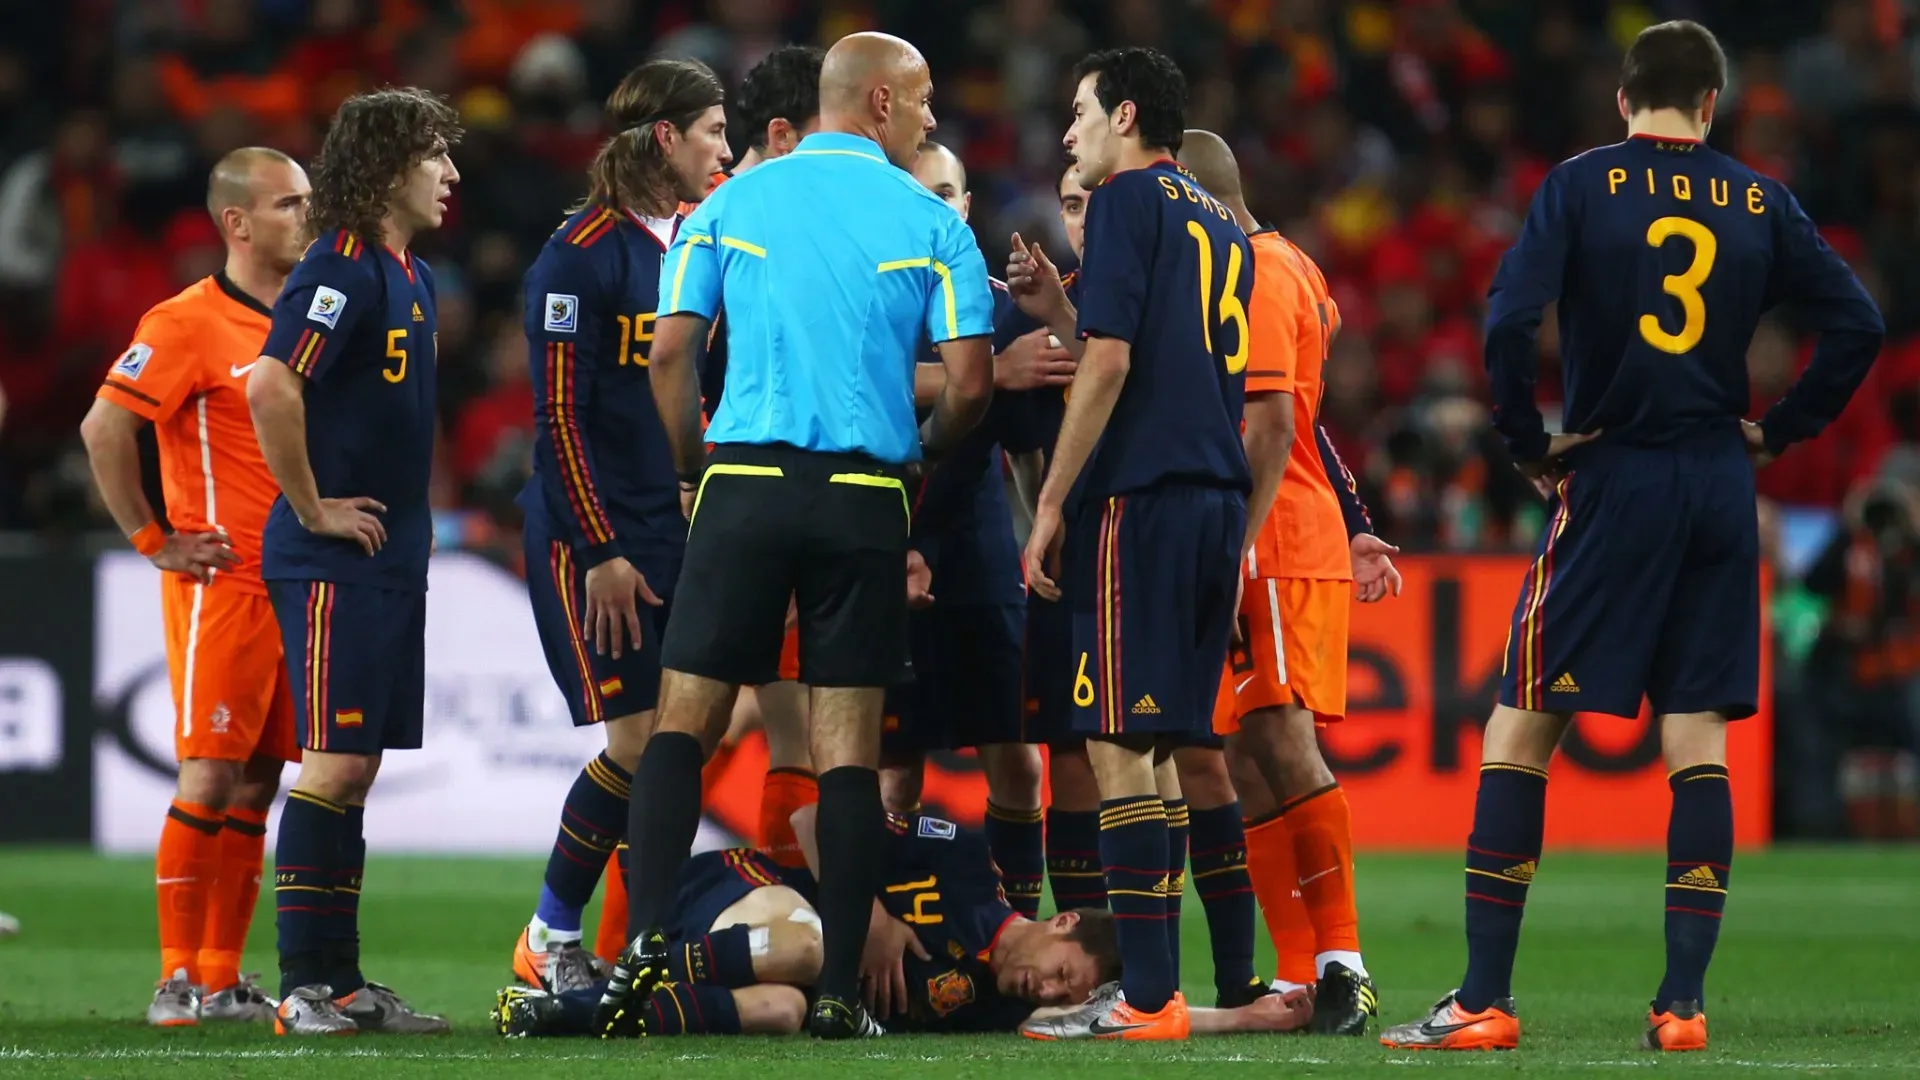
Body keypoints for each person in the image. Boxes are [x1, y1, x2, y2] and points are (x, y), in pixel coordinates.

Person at [1381, 21, 1883, 1053]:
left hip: (1613, 473)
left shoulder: (1580, 185)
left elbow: (1509, 322)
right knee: (1696, 742)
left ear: (1623, 99)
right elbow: (1860, 324)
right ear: (1712, 104)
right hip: (1715, 482)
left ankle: (1482, 998)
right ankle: (1684, 1006)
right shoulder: (1756, 198)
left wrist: (1527, 440)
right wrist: (1779, 430)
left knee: (1521, 725)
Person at [612, 31, 994, 1041]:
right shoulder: (930, 221)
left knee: (683, 720)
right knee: (846, 753)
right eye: (919, 104)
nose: (929, 122)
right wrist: (916, 454)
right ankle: (833, 997)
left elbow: (669, 355)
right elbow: (970, 384)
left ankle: (648, 937)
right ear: (876, 102)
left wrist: (696, 474)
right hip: (864, 491)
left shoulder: (728, 206)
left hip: (740, 480)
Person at [1016, 48, 1257, 1042]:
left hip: (1145, 504)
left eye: (1078, 114)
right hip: (1213, 504)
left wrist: (1053, 502)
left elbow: (1110, 361)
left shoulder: (1123, 200)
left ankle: (1150, 999)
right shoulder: (1223, 224)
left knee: (1115, 744)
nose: (1068, 134)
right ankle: (1177, 985)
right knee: (1158, 752)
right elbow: (1157, 350)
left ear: (1124, 114)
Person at [510, 57, 733, 998]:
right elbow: (557, 417)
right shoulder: (580, 255)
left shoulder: (697, 242)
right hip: (589, 538)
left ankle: (644, 943)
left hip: (673, 525)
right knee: (641, 744)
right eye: (714, 131)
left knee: (678, 744)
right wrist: (600, 549)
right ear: (663, 139)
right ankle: (549, 931)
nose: (726, 148)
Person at [245, 87, 464, 1036]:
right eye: (435, 157)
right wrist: (312, 507)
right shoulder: (340, 266)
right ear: (386, 167)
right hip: (333, 563)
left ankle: (342, 984)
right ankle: (304, 986)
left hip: (386, 559)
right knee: (331, 767)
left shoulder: (403, 273)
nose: (452, 175)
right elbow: (271, 382)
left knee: (357, 768)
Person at [80, 146, 311, 1027]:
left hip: (294, 583)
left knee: (257, 786)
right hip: (224, 585)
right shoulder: (183, 322)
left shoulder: (302, 316)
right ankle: (174, 978)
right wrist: (154, 539)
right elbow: (105, 427)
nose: (306, 218)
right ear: (237, 223)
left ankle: (221, 976)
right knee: (208, 778)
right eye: (289, 204)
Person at [1177, 129, 1402, 1035]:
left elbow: (1272, 428)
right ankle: (1300, 970)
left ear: (1193, 198)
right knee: (1245, 757)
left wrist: (1235, 537)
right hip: (1271, 529)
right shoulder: (1277, 265)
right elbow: (1312, 423)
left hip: (1265, 535)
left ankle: (1344, 964)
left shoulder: (1257, 273)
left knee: (1280, 737)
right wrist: (1354, 520)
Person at [496, 806, 1313, 1038]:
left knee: (784, 1012)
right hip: (738, 895)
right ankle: (612, 974)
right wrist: (873, 915)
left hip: (771, 970)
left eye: (1063, 993)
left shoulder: (1004, 1005)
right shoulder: (960, 854)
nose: (1049, 989)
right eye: (1063, 973)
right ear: (1060, 923)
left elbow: (1125, 1015)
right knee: (818, 944)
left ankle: (567, 1017)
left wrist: (1245, 1016)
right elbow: (818, 820)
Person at [878, 140, 1049, 919]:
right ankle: (899, 923)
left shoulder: (997, 306)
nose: (937, 209)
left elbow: (1027, 447)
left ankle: (1012, 927)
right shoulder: (869, 296)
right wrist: (985, 374)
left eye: (949, 194)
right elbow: (857, 381)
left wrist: (1049, 535)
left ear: (968, 207)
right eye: (921, 195)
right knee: (894, 760)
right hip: (883, 532)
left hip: (978, 545)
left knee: (1014, 755)